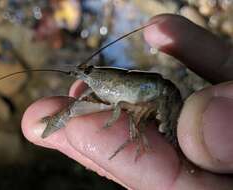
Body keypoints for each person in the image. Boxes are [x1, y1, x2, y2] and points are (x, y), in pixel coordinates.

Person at [21, 14, 233, 190]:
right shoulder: (96, 84)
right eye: (86, 73)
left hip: (164, 97)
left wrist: (113, 118)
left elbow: (121, 106)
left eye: (87, 72)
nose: (84, 76)